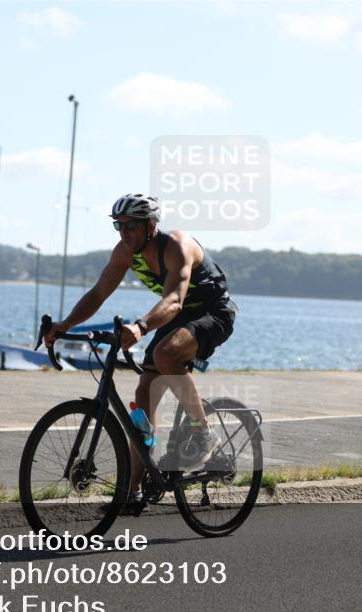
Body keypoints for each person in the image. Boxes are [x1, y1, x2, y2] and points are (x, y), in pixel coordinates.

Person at [44, 193, 236, 512]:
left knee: (164, 355)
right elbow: (98, 293)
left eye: (131, 225)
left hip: (212, 313)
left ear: (151, 225)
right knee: (143, 394)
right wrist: (65, 324)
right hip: (175, 317)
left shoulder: (177, 245)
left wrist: (141, 327)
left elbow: (175, 300)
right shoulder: (125, 252)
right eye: (119, 226)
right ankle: (131, 492)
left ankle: (204, 435)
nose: (124, 232)